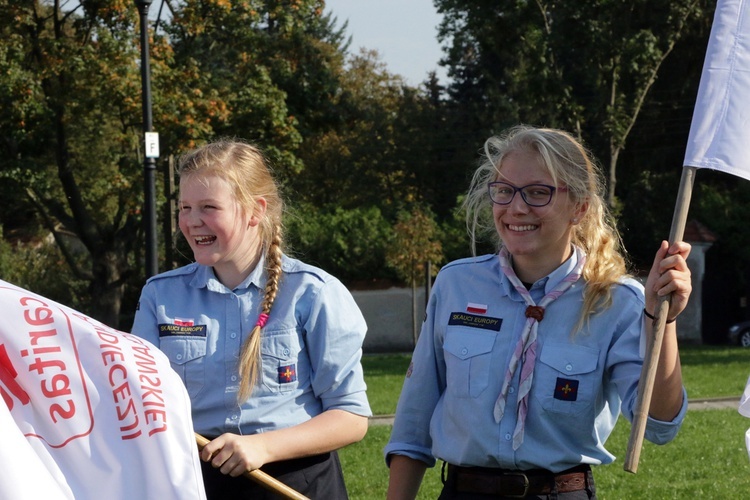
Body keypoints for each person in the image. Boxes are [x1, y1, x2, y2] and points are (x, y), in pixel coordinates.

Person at [384, 125, 692, 499]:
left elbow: (659, 426)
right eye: (504, 191)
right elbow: (413, 424)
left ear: (579, 206)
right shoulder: (456, 285)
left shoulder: (617, 301)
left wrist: (666, 320)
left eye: (537, 192)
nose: (516, 207)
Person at [131, 139, 371, 499]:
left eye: (209, 207)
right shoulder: (159, 295)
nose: (192, 221)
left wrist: (264, 447)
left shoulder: (314, 292)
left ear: (255, 211)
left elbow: (351, 418)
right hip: (194, 482)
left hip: (293, 482)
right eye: (185, 207)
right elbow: (137, 399)